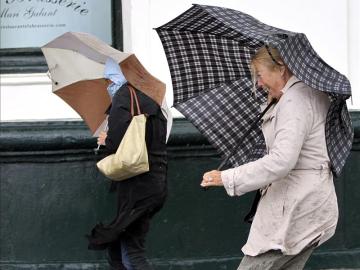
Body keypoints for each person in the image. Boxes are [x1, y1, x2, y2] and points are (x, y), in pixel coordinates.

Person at [201, 45, 338, 269]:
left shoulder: (295, 102)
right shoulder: (301, 96)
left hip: (295, 207)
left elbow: (281, 161)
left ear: (281, 69)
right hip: (306, 203)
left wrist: (227, 177)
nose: (259, 83)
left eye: (260, 75)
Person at [87, 76, 168, 269]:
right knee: (121, 246)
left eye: (109, 79)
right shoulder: (152, 98)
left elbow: (118, 143)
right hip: (155, 182)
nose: (108, 85)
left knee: (132, 252)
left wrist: (106, 140)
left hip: (137, 187)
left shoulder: (124, 97)